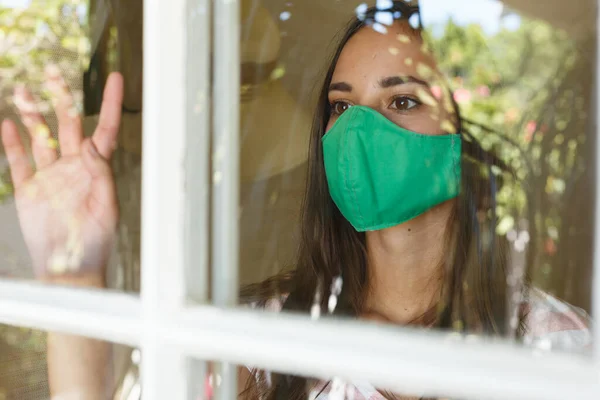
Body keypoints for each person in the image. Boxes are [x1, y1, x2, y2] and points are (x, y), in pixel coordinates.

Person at [1, 2, 591, 400]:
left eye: (403, 101)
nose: (360, 131)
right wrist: (74, 275)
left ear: (465, 141)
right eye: (341, 106)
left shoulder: (556, 344)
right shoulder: (257, 340)